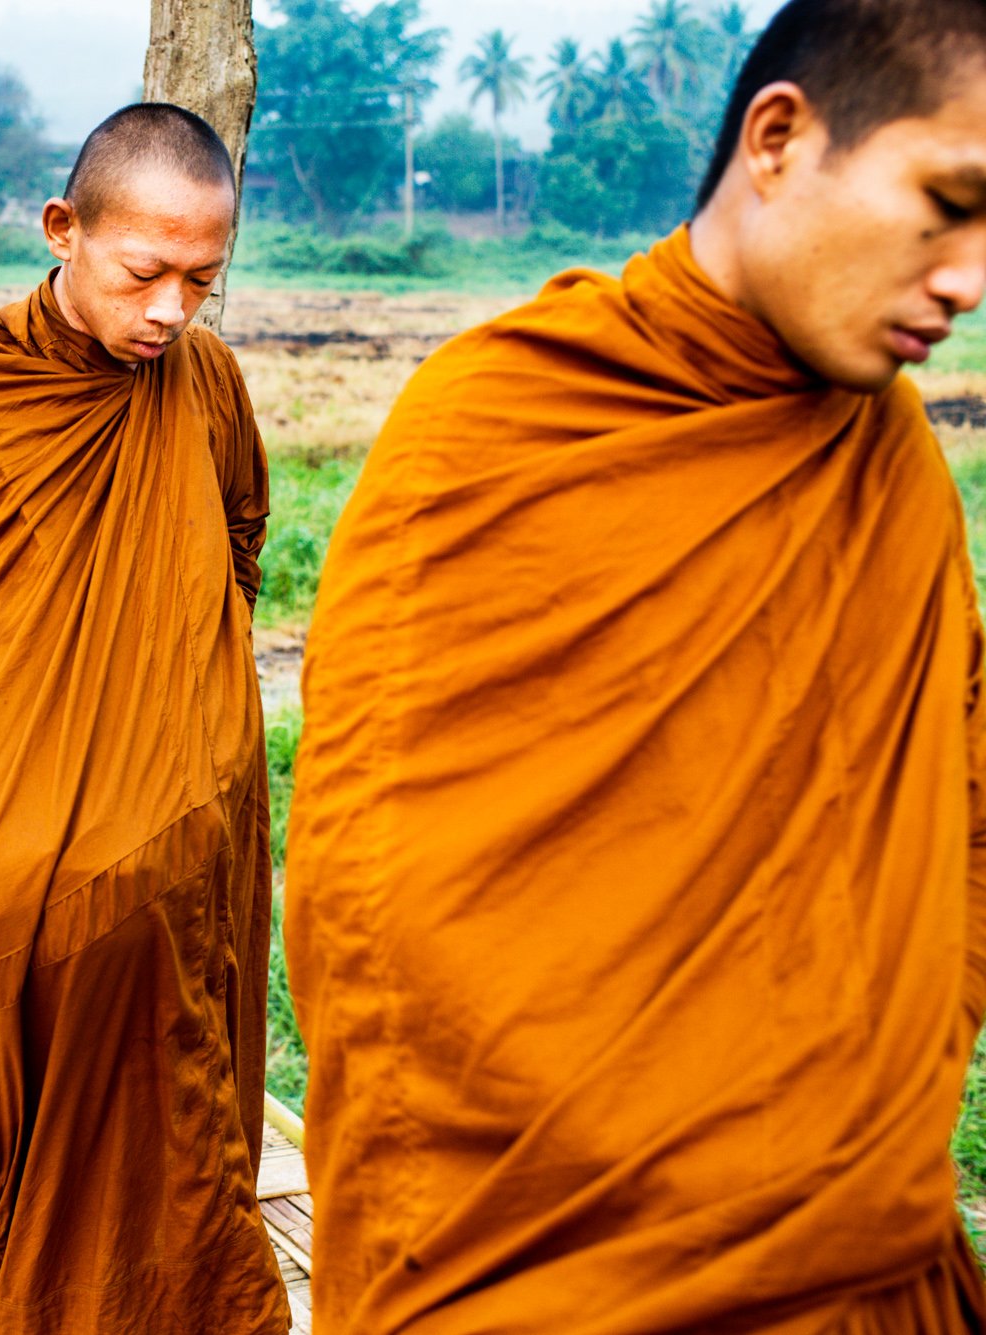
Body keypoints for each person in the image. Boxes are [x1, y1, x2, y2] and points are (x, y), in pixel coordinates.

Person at [283, 0, 986, 1329]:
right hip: (537, 1253)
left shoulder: (892, 467)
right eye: (948, 203)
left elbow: (950, 826)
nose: (967, 279)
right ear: (779, 139)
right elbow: (378, 915)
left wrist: (850, 1097)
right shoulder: (495, 429)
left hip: (854, 1243)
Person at [0, 104, 287, 1334]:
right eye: (142, 274)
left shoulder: (204, 377)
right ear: (63, 229)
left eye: (200, 281)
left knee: (173, 1060)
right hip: (7, 785)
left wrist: (181, 685)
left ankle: (170, 1292)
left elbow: (239, 530)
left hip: (186, 782)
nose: (169, 313)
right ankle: (12, 1238)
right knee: (11, 980)